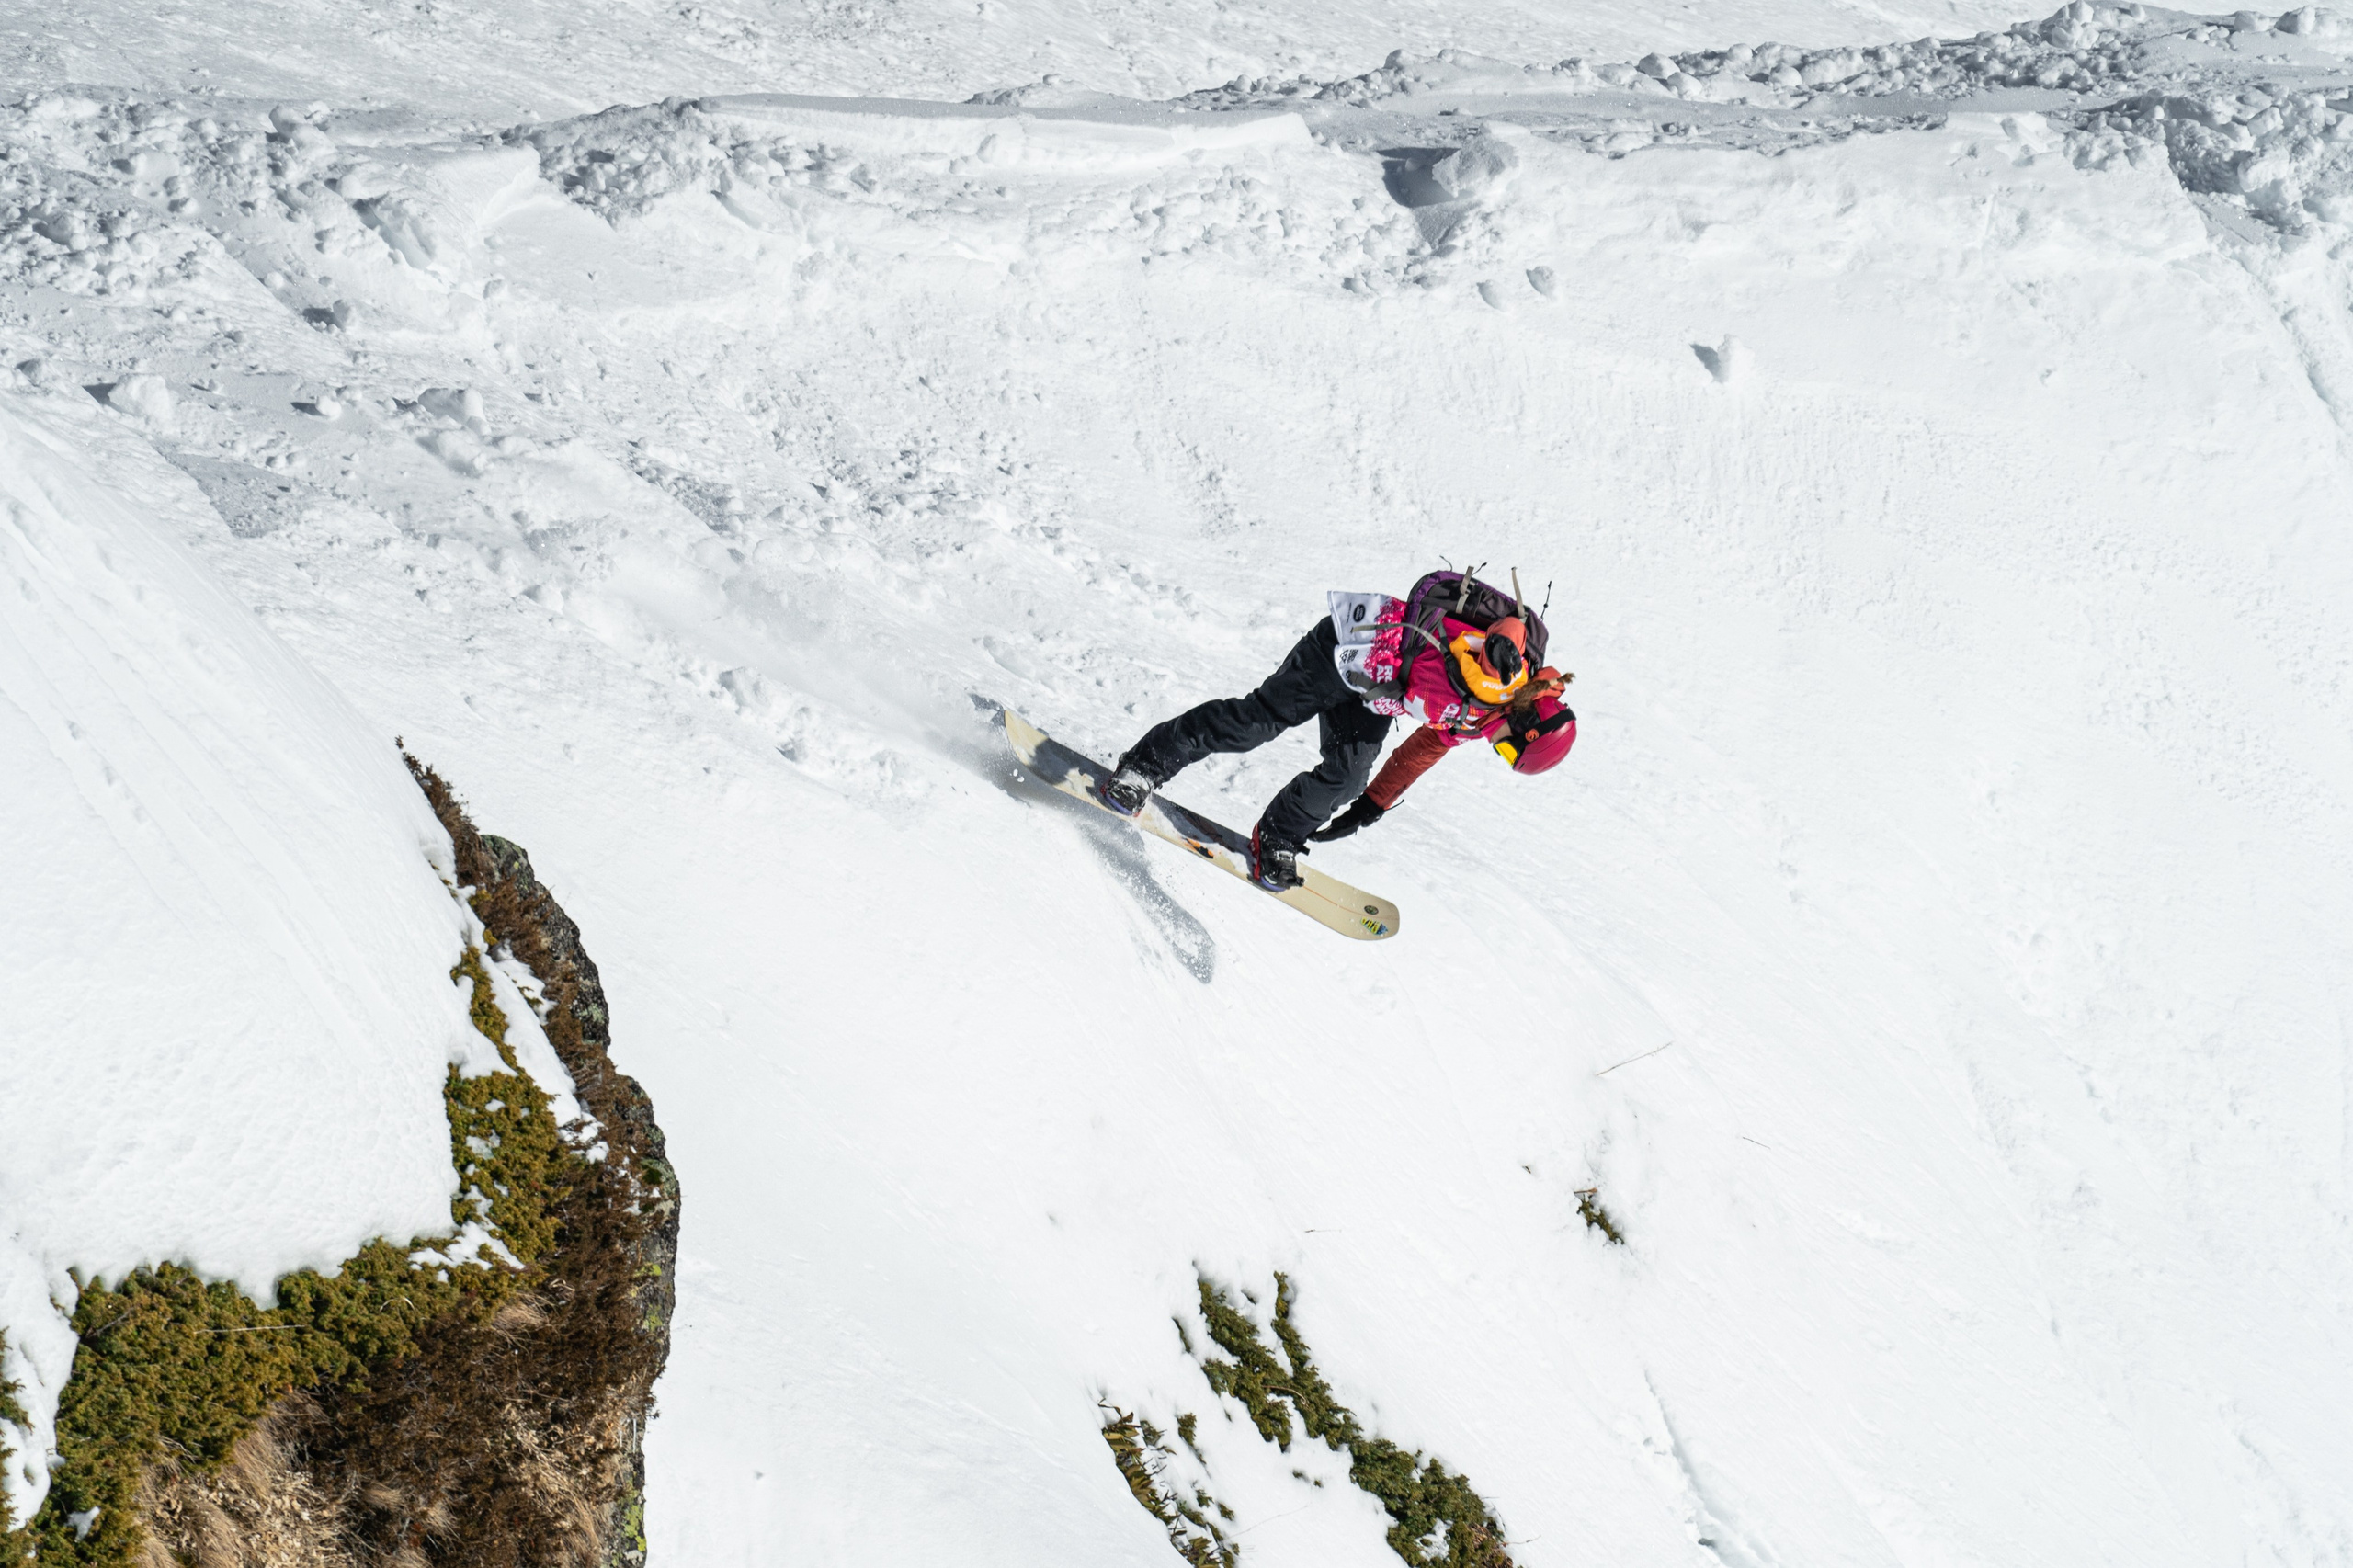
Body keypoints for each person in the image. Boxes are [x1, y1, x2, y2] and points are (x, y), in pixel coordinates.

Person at [1097, 570, 1578, 890]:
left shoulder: (1478, 721)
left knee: (1348, 777)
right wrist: (1503, 649)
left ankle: (1277, 837)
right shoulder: (1505, 675)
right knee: (1257, 723)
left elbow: (1426, 747)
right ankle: (1142, 768)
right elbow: (1512, 628)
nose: (1498, 751)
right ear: (1526, 723)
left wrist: (1374, 802)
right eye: (1509, 752)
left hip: (1375, 691)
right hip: (1346, 646)